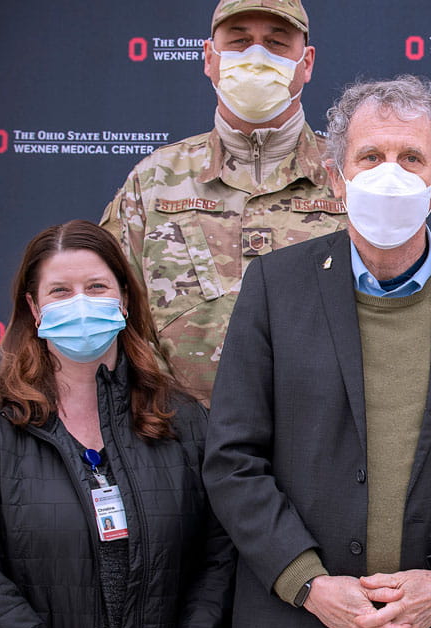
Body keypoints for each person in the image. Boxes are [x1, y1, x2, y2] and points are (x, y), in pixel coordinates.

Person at [202, 75, 431, 628]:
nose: (390, 173)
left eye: (411, 157)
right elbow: (233, 458)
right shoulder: (272, 289)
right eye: (371, 156)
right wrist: (309, 583)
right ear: (337, 177)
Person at [0, 221, 234, 628]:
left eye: (97, 287)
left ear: (125, 301)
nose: (80, 304)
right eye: (60, 291)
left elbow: (219, 561)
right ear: (34, 308)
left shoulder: (182, 420)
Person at [100, 0, 346, 404]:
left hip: (318, 445)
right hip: (180, 445)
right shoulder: (155, 181)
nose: (256, 57)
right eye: (240, 41)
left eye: (275, 43)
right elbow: (115, 313)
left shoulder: (349, 179)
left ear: (307, 62)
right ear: (209, 59)